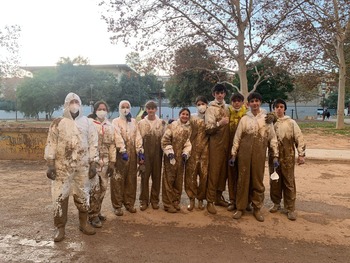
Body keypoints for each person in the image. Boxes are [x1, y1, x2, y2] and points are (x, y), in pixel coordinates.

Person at [44, 92, 98, 242]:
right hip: (62, 167)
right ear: (66, 104)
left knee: (83, 195)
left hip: (82, 167)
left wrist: (93, 163)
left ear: (80, 104)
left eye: (76, 101)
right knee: (59, 197)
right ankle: (60, 228)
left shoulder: (88, 123)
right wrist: (50, 164)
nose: (74, 104)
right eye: (71, 102)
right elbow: (51, 144)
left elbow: (93, 143)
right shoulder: (57, 123)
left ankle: (83, 223)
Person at [229, 92, 279, 222]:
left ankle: (256, 208)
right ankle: (241, 207)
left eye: (257, 101)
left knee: (257, 180)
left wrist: (275, 155)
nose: (255, 103)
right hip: (244, 154)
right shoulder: (245, 119)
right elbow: (237, 137)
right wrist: (234, 154)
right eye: (252, 101)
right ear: (248, 104)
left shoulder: (266, 119)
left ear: (260, 102)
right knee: (243, 179)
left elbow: (272, 138)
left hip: (259, 153)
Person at [269, 99, 306, 221]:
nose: (279, 109)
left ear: (284, 109)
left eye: (281, 106)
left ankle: (290, 208)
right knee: (275, 180)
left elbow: (299, 138)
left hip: (288, 156)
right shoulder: (270, 123)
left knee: (289, 182)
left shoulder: (291, 123)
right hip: (273, 157)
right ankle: (276, 203)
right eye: (277, 107)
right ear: (274, 109)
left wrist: (301, 154)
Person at [87, 101, 117, 228]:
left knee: (103, 188)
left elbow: (112, 145)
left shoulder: (110, 126)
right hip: (92, 162)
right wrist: (90, 162)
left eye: (104, 109)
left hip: (105, 163)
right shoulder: (89, 124)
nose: (102, 111)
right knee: (94, 190)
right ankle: (92, 216)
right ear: (95, 110)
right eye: (99, 109)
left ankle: (97, 211)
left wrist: (112, 162)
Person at [111, 100, 143, 216]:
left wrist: (140, 151)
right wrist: (122, 150)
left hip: (133, 156)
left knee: (131, 180)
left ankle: (129, 203)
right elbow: (116, 136)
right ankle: (117, 206)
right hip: (120, 156)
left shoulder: (134, 122)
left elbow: (138, 136)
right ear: (119, 108)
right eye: (123, 107)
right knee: (118, 180)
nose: (125, 109)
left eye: (127, 107)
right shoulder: (115, 121)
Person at [205, 83, 230, 214]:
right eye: (217, 93)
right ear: (214, 94)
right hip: (215, 145)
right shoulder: (211, 109)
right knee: (214, 172)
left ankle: (218, 196)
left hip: (227, 144)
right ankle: (210, 200)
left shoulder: (227, 108)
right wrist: (220, 123)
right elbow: (208, 129)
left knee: (223, 173)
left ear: (225, 94)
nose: (220, 95)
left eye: (222, 93)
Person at [161, 108, 192, 213]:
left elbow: (188, 143)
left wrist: (186, 152)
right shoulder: (172, 126)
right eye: (183, 114)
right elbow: (165, 140)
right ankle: (167, 204)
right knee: (168, 181)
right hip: (170, 158)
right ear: (179, 115)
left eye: (187, 114)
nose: (185, 116)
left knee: (178, 182)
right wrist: (169, 152)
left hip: (181, 159)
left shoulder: (188, 128)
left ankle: (175, 202)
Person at [137, 100, 164, 211]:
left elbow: (164, 138)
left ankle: (155, 200)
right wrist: (140, 154)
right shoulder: (141, 123)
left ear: (156, 109)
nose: (151, 110)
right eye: (148, 108)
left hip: (158, 152)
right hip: (145, 152)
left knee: (156, 177)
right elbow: (138, 139)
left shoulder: (161, 122)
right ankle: (144, 201)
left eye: (152, 108)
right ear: (146, 110)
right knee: (144, 177)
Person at [185, 96, 209, 211]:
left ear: (207, 104)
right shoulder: (192, 118)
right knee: (191, 176)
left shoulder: (210, 118)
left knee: (204, 176)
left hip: (206, 152)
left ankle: (200, 199)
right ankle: (191, 199)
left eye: (203, 103)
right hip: (192, 151)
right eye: (198, 104)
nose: (201, 106)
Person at [227, 93, 247, 212]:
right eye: (234, 101)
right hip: (230, 148)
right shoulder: (227, 112)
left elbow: (263, 115)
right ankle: (233, 200)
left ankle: (245, 201)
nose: (236, 103)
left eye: (239, 101)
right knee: (232, 175)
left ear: (242, 102)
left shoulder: (247, 113)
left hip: (244, 149)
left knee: (244, 175)